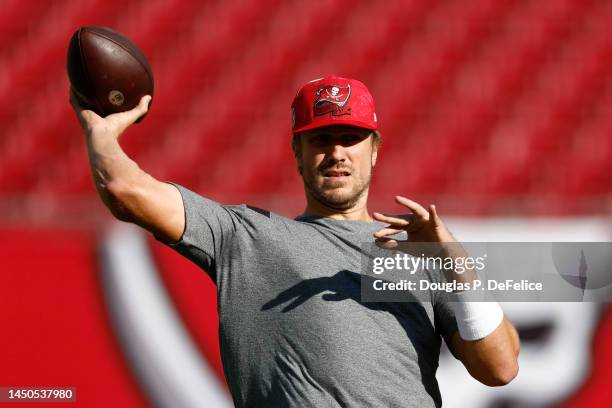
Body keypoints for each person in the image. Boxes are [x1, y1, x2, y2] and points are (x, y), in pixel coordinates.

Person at [70, 75, 520, 407]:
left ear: (375, 149)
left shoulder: (418, 256)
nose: (337, 152)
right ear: (297, 154)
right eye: (321, 139)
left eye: (350, 138)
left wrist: (455, 262)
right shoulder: (244, 236)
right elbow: (126, 191)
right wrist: (102, 135)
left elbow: (500, 369)